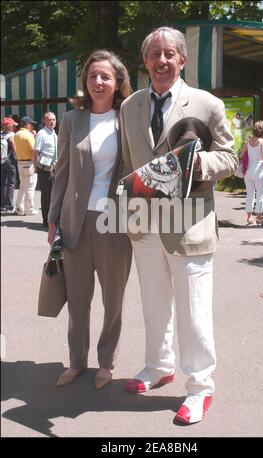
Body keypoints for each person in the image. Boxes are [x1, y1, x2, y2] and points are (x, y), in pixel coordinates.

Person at [120, 26, 237, 424]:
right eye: (155, 54)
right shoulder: (129, 107)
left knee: (193, 311)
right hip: (143, 223)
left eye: (170, 54)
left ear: (183, 60)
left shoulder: (206, 104)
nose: (162, 60)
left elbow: (230, 158)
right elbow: (128, 164)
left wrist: (198, 165)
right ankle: (158, 366)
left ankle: (200, 386)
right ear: (146, 61)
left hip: (189, 224)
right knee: (153, 306)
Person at [47, 50, 132, 389]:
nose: (98, 82)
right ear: (86, 82)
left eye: (105, 76)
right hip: (75, 222)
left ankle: (106, 361)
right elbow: (61, 172)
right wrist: (53, 219)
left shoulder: (127, 118)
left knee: (113, 300)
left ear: (117, 82)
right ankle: (76, 361)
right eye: (93, 76)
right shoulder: (71, 120)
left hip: (114, 222)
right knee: (78, 300)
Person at [240, 121, 263, 225]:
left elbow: (242, 155)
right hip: (259, 170)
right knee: (260, 195)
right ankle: (259, 218)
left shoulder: (248, 141)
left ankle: (249, 218)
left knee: (249, 195)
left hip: (248, 171)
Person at [32, 112, 58, 227]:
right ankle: (46, 220)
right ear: (44, 121)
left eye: (53, 119)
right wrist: (36, 167)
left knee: (53, 194)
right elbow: (35, 152)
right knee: (47, 194)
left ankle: (51, 218)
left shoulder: (53, 133)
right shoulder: (42, 134)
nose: (52, 122)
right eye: (49, 120)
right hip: (44, 168)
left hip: (53, 168)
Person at [14, 116, 39, 216]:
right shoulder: (28, 135)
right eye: (31, 124)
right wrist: (36, 164)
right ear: (27, 124)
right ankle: (29, 209)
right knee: (30, 187)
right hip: (29, 163)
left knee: (22, 187)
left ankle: (19, 208)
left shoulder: (16, 134)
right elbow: (34, 150)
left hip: (20, 163)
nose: (32, 126)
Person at [1, 117, 18, 212]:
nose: (13, 126)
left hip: (1, 161)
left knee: (3, 183)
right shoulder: (11, 135)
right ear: (8, 125)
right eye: (12, 125)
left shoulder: (1, 134)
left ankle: (2, 205)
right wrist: (17, 157)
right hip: (10, 161)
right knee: (11, 183)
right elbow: (14, 146)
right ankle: (9, 206)